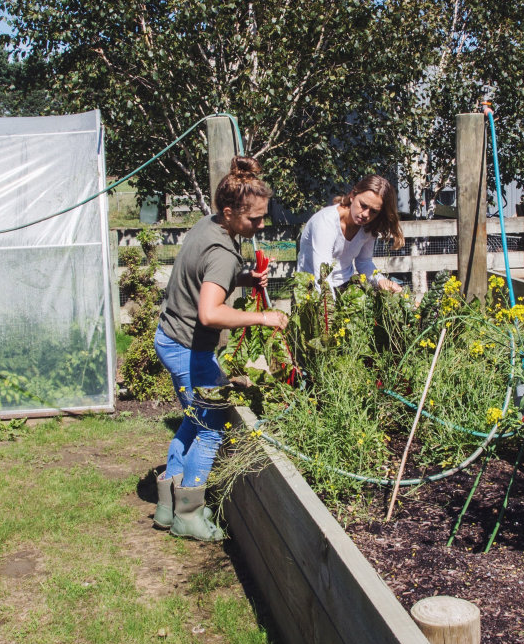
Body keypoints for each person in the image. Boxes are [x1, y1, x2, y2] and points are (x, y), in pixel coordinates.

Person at [152, 156, 288, 542]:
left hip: (171, 337)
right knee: (214, 425)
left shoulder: (207, 225)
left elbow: (202, 279)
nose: (262, 225)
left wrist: (243, 277)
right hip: (187, 347)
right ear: (229, 212)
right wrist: (263, 318)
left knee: (194, 419)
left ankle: (166, 504)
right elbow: (210, 313)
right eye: (255, 219)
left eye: (264, 216)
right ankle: (188, 513)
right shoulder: (223, 252)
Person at [296, 174, 405, 293]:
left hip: (345, 288)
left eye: (374, 211)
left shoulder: (368, 227)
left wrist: (380, 281)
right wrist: (330, 309)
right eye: (363, 205)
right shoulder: (326, 222)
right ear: (353, 195)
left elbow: (364, 262)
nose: (366, 214)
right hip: (311, 289)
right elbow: (322, 277)